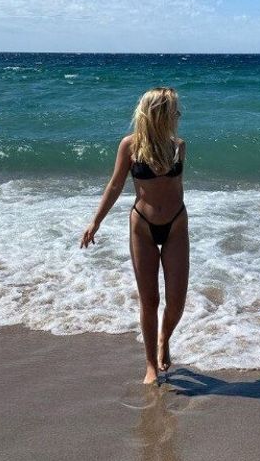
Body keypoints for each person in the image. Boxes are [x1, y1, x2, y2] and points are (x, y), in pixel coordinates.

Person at [80, 87, 188, 384]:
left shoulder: (178, 146)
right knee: (150, 300)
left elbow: (176, 188)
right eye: (175, 110)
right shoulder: (130, 146)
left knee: (177, 301)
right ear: (160, 114)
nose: (179, 115)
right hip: (141, 225)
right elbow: (115, 186)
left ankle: (164, 338)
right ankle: (150, 364)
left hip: (177, 224)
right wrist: (96, 222)